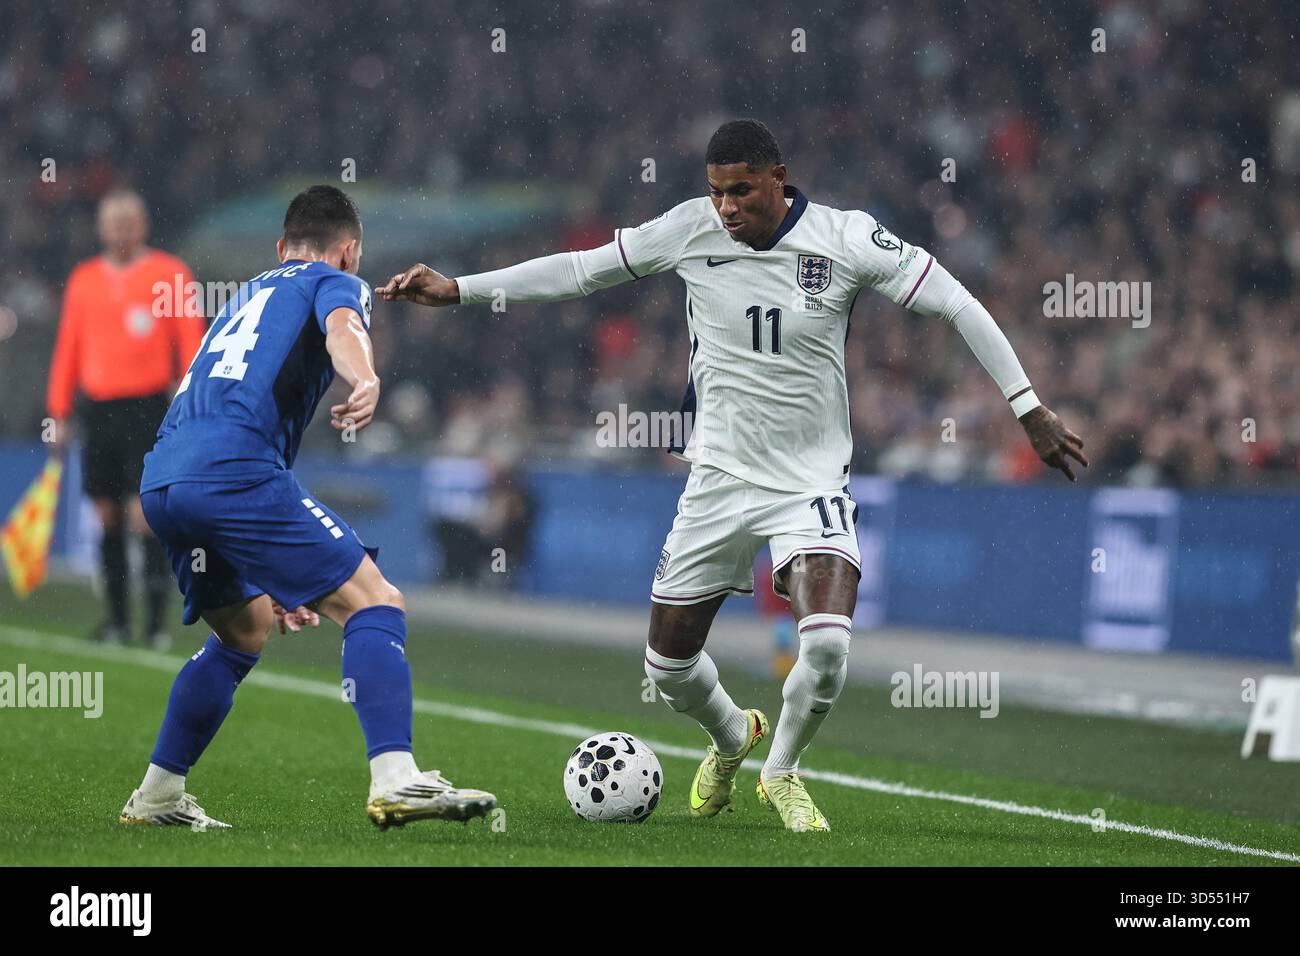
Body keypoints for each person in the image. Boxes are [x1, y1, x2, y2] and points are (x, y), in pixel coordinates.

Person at [379, 120, 1087, 832]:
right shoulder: (689, 228)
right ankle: (730, 736)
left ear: (778, 177)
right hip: (717, 479)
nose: (727, 207)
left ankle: (781, 772)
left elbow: (957, 302)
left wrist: (1027, 408)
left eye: (741, 190)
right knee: (667, 666)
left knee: (830, 647)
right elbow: (580, 269)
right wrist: (460, 289)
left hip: (808, 484)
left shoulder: (846, 240)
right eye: (717, 192)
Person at [119, 185, 495, 830]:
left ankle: (156, 795)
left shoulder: (245, 294)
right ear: (349, 252)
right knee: (375, 601)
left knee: (243, 630)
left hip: (166, 478)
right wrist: (367, 377)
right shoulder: (333, 280)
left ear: (278, 247)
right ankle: (397, 778)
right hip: (235, 468)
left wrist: (276, 569)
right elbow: (344, 328)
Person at [46, 189, 205, 648]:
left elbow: (191, 342)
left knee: (146, 516)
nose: (121, 230)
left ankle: (155, 625)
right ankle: (116, 622)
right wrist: (58, 412)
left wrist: (190, 401)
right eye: (112, 222)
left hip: (148, 407)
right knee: (107, 514)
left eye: (128, 221)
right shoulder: (84, 279)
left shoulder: (169, 273)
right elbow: (68, 350)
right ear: (100, 228)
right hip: (99, 410)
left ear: (144, 225)